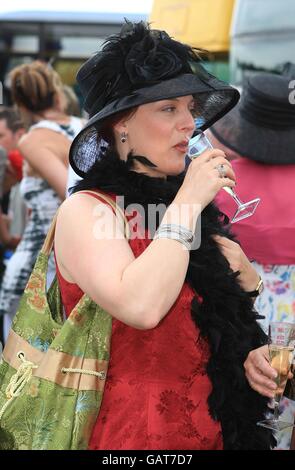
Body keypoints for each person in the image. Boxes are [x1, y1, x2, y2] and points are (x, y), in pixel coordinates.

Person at [54, 21, 273, 450]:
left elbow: (211, 331)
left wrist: (250, 351)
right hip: (133, 440)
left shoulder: (182, 213)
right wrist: (188, 203)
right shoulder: (88, 211)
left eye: (190, 107)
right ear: (120, 125)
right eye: (168, 108)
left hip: (217, 435)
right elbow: (142, 307)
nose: (189, 123)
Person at [212, 71, 295, 449]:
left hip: (241, 306)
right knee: (283, 414)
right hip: (290, 310)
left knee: (245, 410)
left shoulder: (222, 182)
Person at [0, 61, 84, 342]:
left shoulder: (33, 140)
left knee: (21, 364)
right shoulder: (84, 128)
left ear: (20, 104)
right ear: (56, 93)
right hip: (79, 260)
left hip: (39, 264)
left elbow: (72, 193)